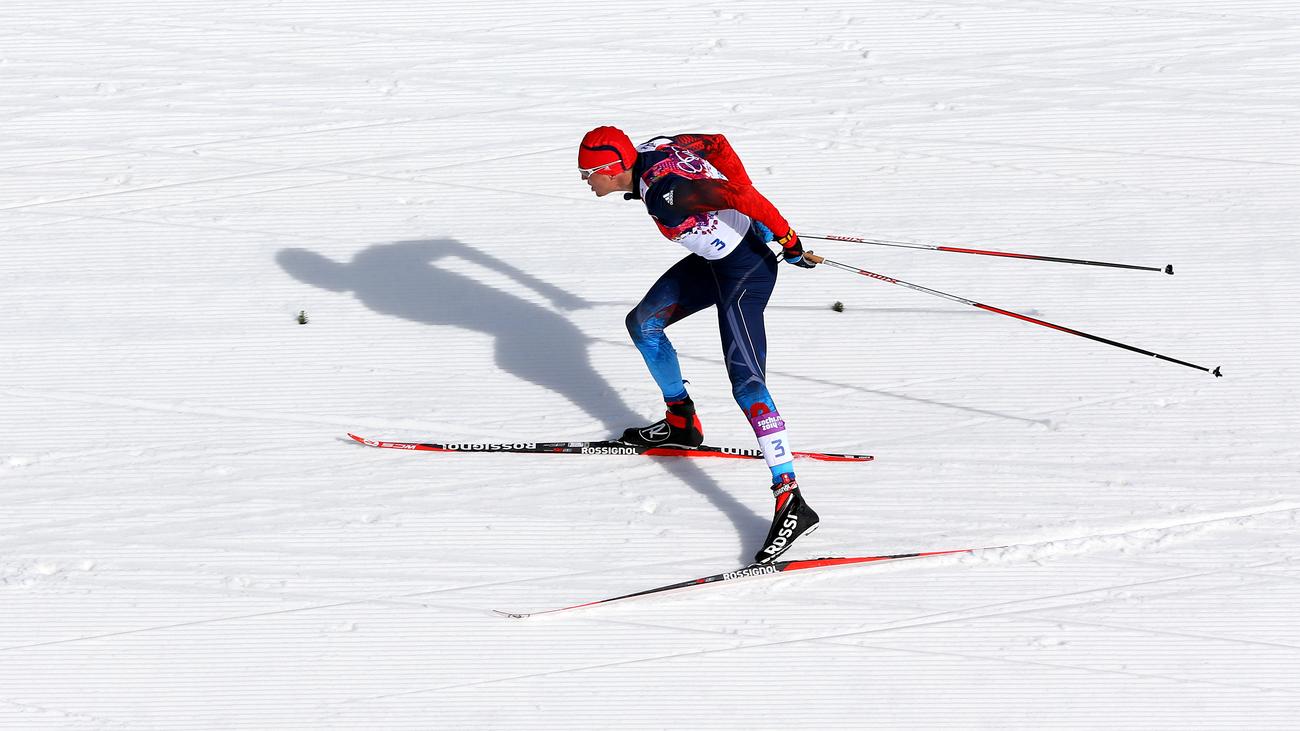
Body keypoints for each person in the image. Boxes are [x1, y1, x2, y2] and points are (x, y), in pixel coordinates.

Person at [578, 125, 820, 565]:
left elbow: (739, 197)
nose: (585, 181)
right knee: (644, 324)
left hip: (746, 273)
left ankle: (792, 499)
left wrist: (786, 239)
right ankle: (681, 422)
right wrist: (758, 217)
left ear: (613, 170)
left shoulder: (667, 195)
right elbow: (716, 143)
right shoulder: (653, 148)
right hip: (716, 261)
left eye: (588, 173)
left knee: (746, 384)